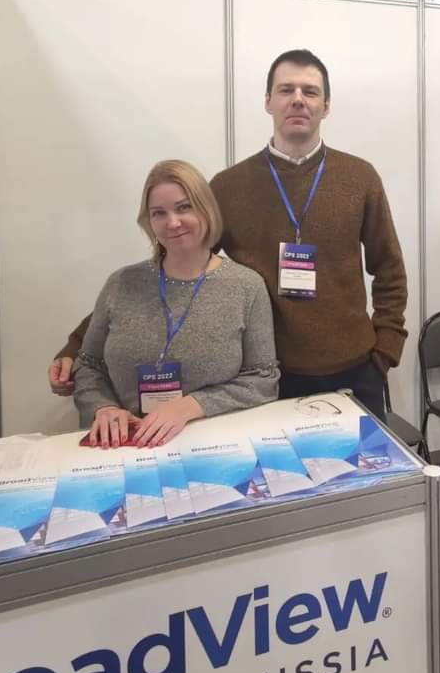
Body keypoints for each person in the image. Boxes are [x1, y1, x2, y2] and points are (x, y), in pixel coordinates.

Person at [51, 50, 407, 418]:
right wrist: (78, 345)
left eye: (310, 91)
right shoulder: (229, 187)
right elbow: (171, 266)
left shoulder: (360, 178)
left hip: (355, 371)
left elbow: (389, 269)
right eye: (286, 90)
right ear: (268, 101)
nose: (298, 99)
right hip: (270, 380)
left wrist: (385, 351)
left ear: (326, 106)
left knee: (370, 459)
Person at [73, 159, 279, 448]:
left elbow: (263, 380)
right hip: (125, 446)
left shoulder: (246, 286)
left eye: (184, 208)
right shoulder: (121, 283)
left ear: (206, 210)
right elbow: (87, 365)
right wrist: (102, 407)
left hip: (211, 446)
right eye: (159, 213)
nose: (172, 222)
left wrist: (190, 406)